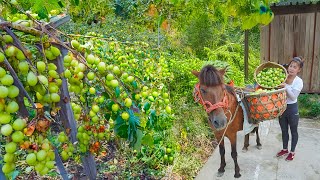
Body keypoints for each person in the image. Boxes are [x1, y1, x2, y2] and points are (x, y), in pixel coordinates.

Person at [276, 56, 304, 161]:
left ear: (299, 70)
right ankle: (284, 149)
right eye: (291, 66)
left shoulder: (299, 81)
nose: (291, 68)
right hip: (282, 108)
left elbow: (293, 97)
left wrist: (285, 86)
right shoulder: (283, 77)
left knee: (293, 131)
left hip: (292, 109)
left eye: (295, 67)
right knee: (284, 130)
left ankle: (292, 152)